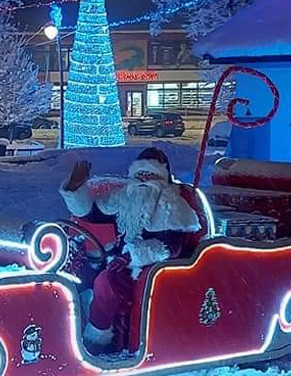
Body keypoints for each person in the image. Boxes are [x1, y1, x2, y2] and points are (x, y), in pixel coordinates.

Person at [60, 147, 201, 352]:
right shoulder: (125, 197)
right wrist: (75, 190)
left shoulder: (172, 205)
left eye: (150, 175)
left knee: (105, 282)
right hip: (117, 259)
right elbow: (91, 213)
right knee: (77, 273)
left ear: (161, 178)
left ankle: (98, 341)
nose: (144, 180)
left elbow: (170, 248)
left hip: (148, 270)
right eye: (139, 175)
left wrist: (130, 257)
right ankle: (69, 329)